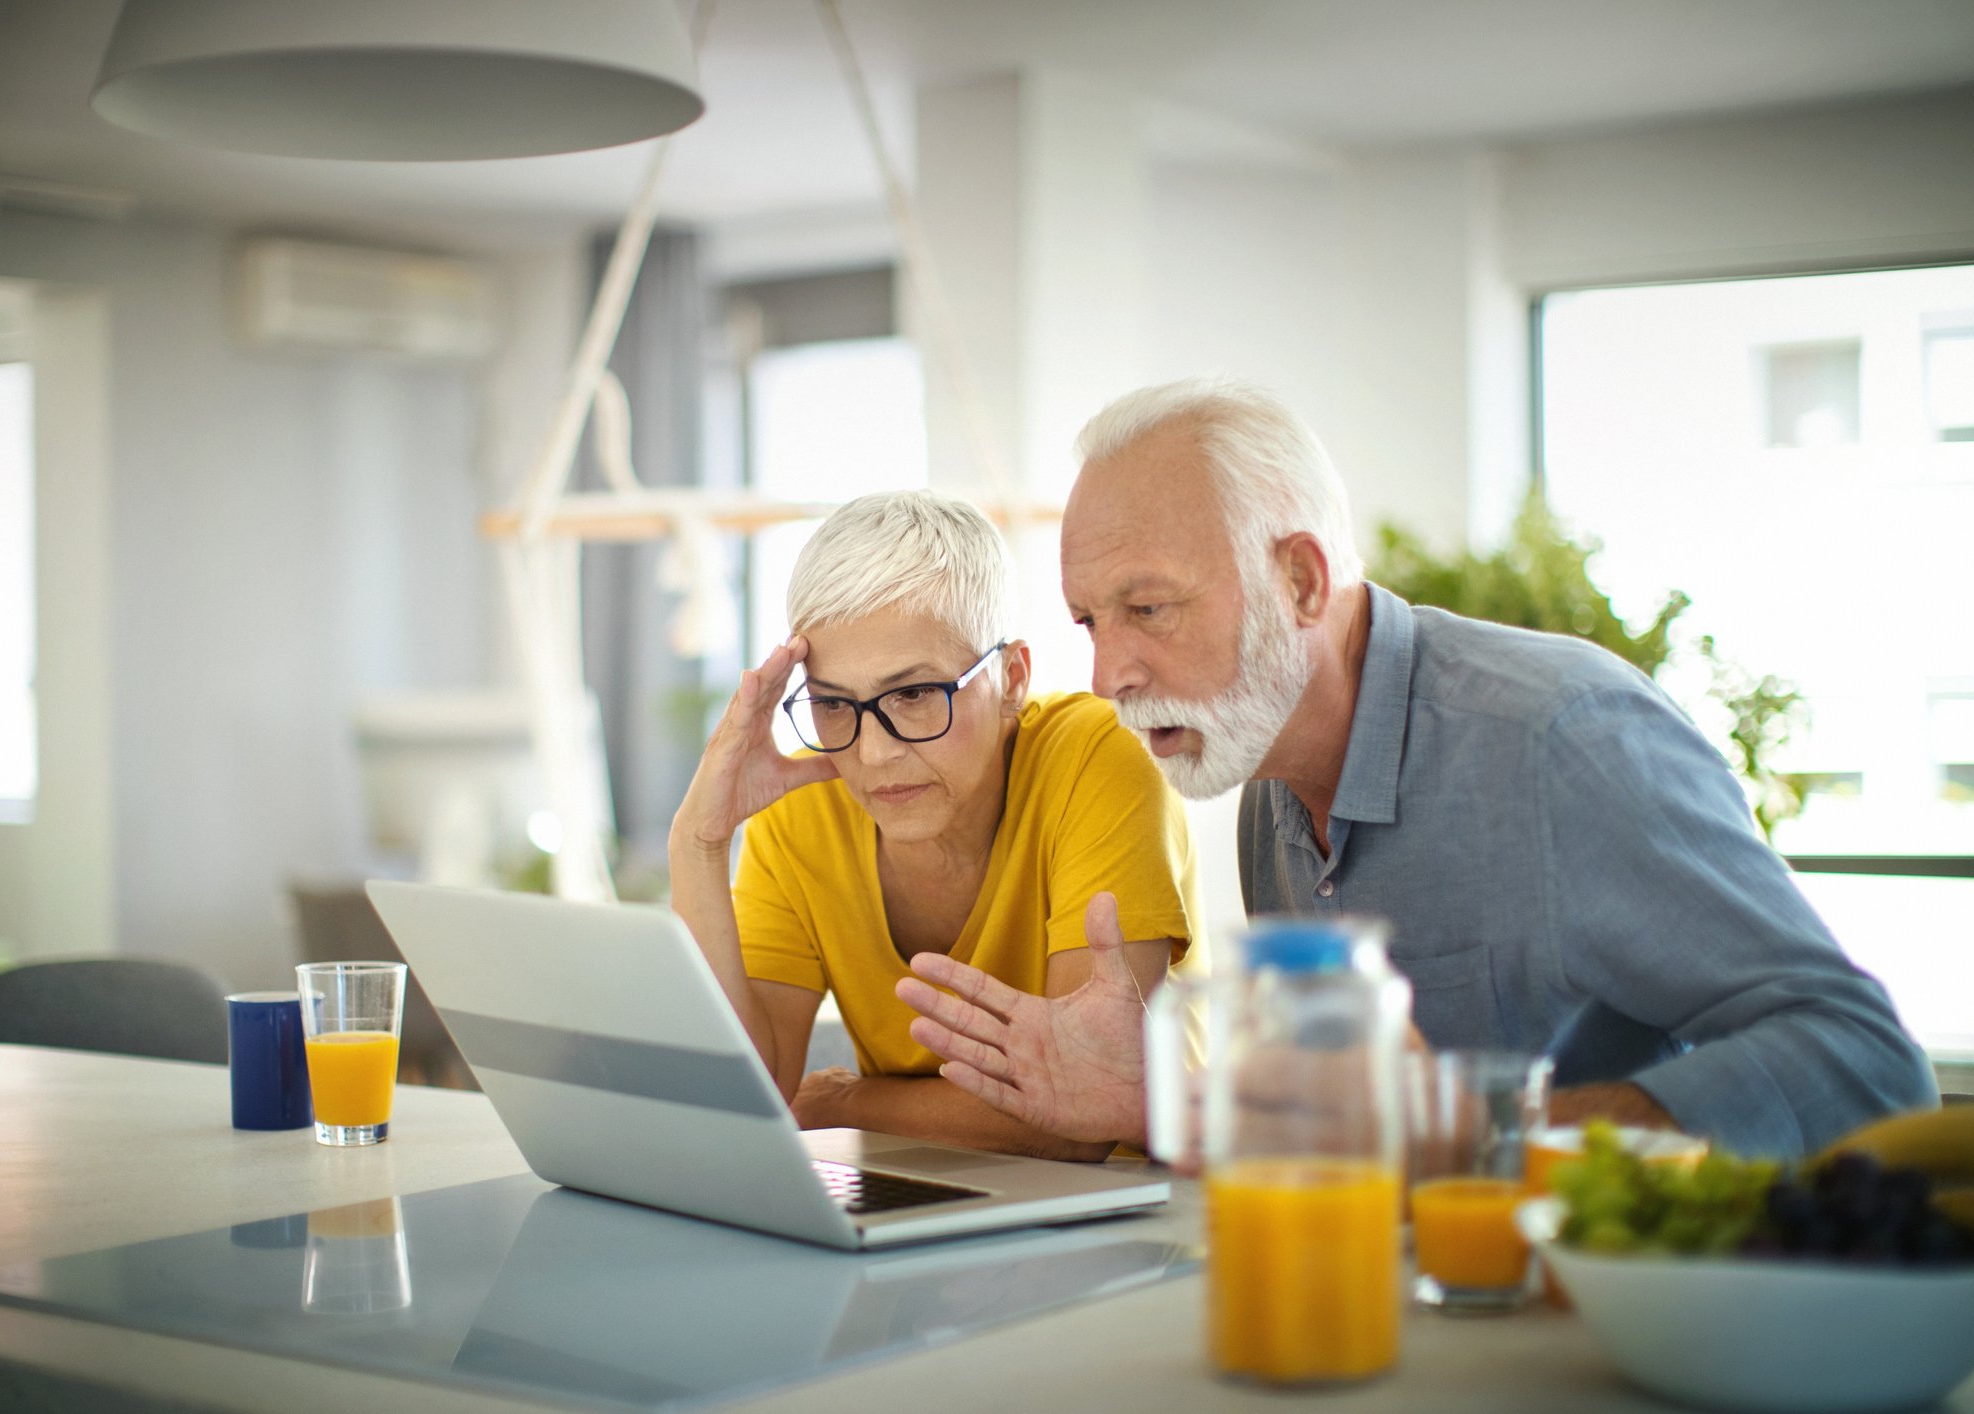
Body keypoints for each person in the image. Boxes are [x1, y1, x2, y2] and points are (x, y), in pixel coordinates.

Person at [897, 377, 1936, 1161]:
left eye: (1149, 608)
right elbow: (1350, 1138)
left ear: (1300, 579)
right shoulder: (1269, 779)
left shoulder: (1559, 742)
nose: (1110, 671)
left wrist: (1497, 1136)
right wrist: (1158, 1100)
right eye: (1090, 620)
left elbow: (1868, 1066)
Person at [669, 489, 1198, 1160]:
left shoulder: (1098, 755)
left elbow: (1080, 1115)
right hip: (920, 1198)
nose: (873, 752)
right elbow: (749, 1100)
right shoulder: (803, 801)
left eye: (915, 695)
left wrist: (841, 1105)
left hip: (1129, 1216)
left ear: (1010, 678)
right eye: (833, 704)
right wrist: (698, 841)